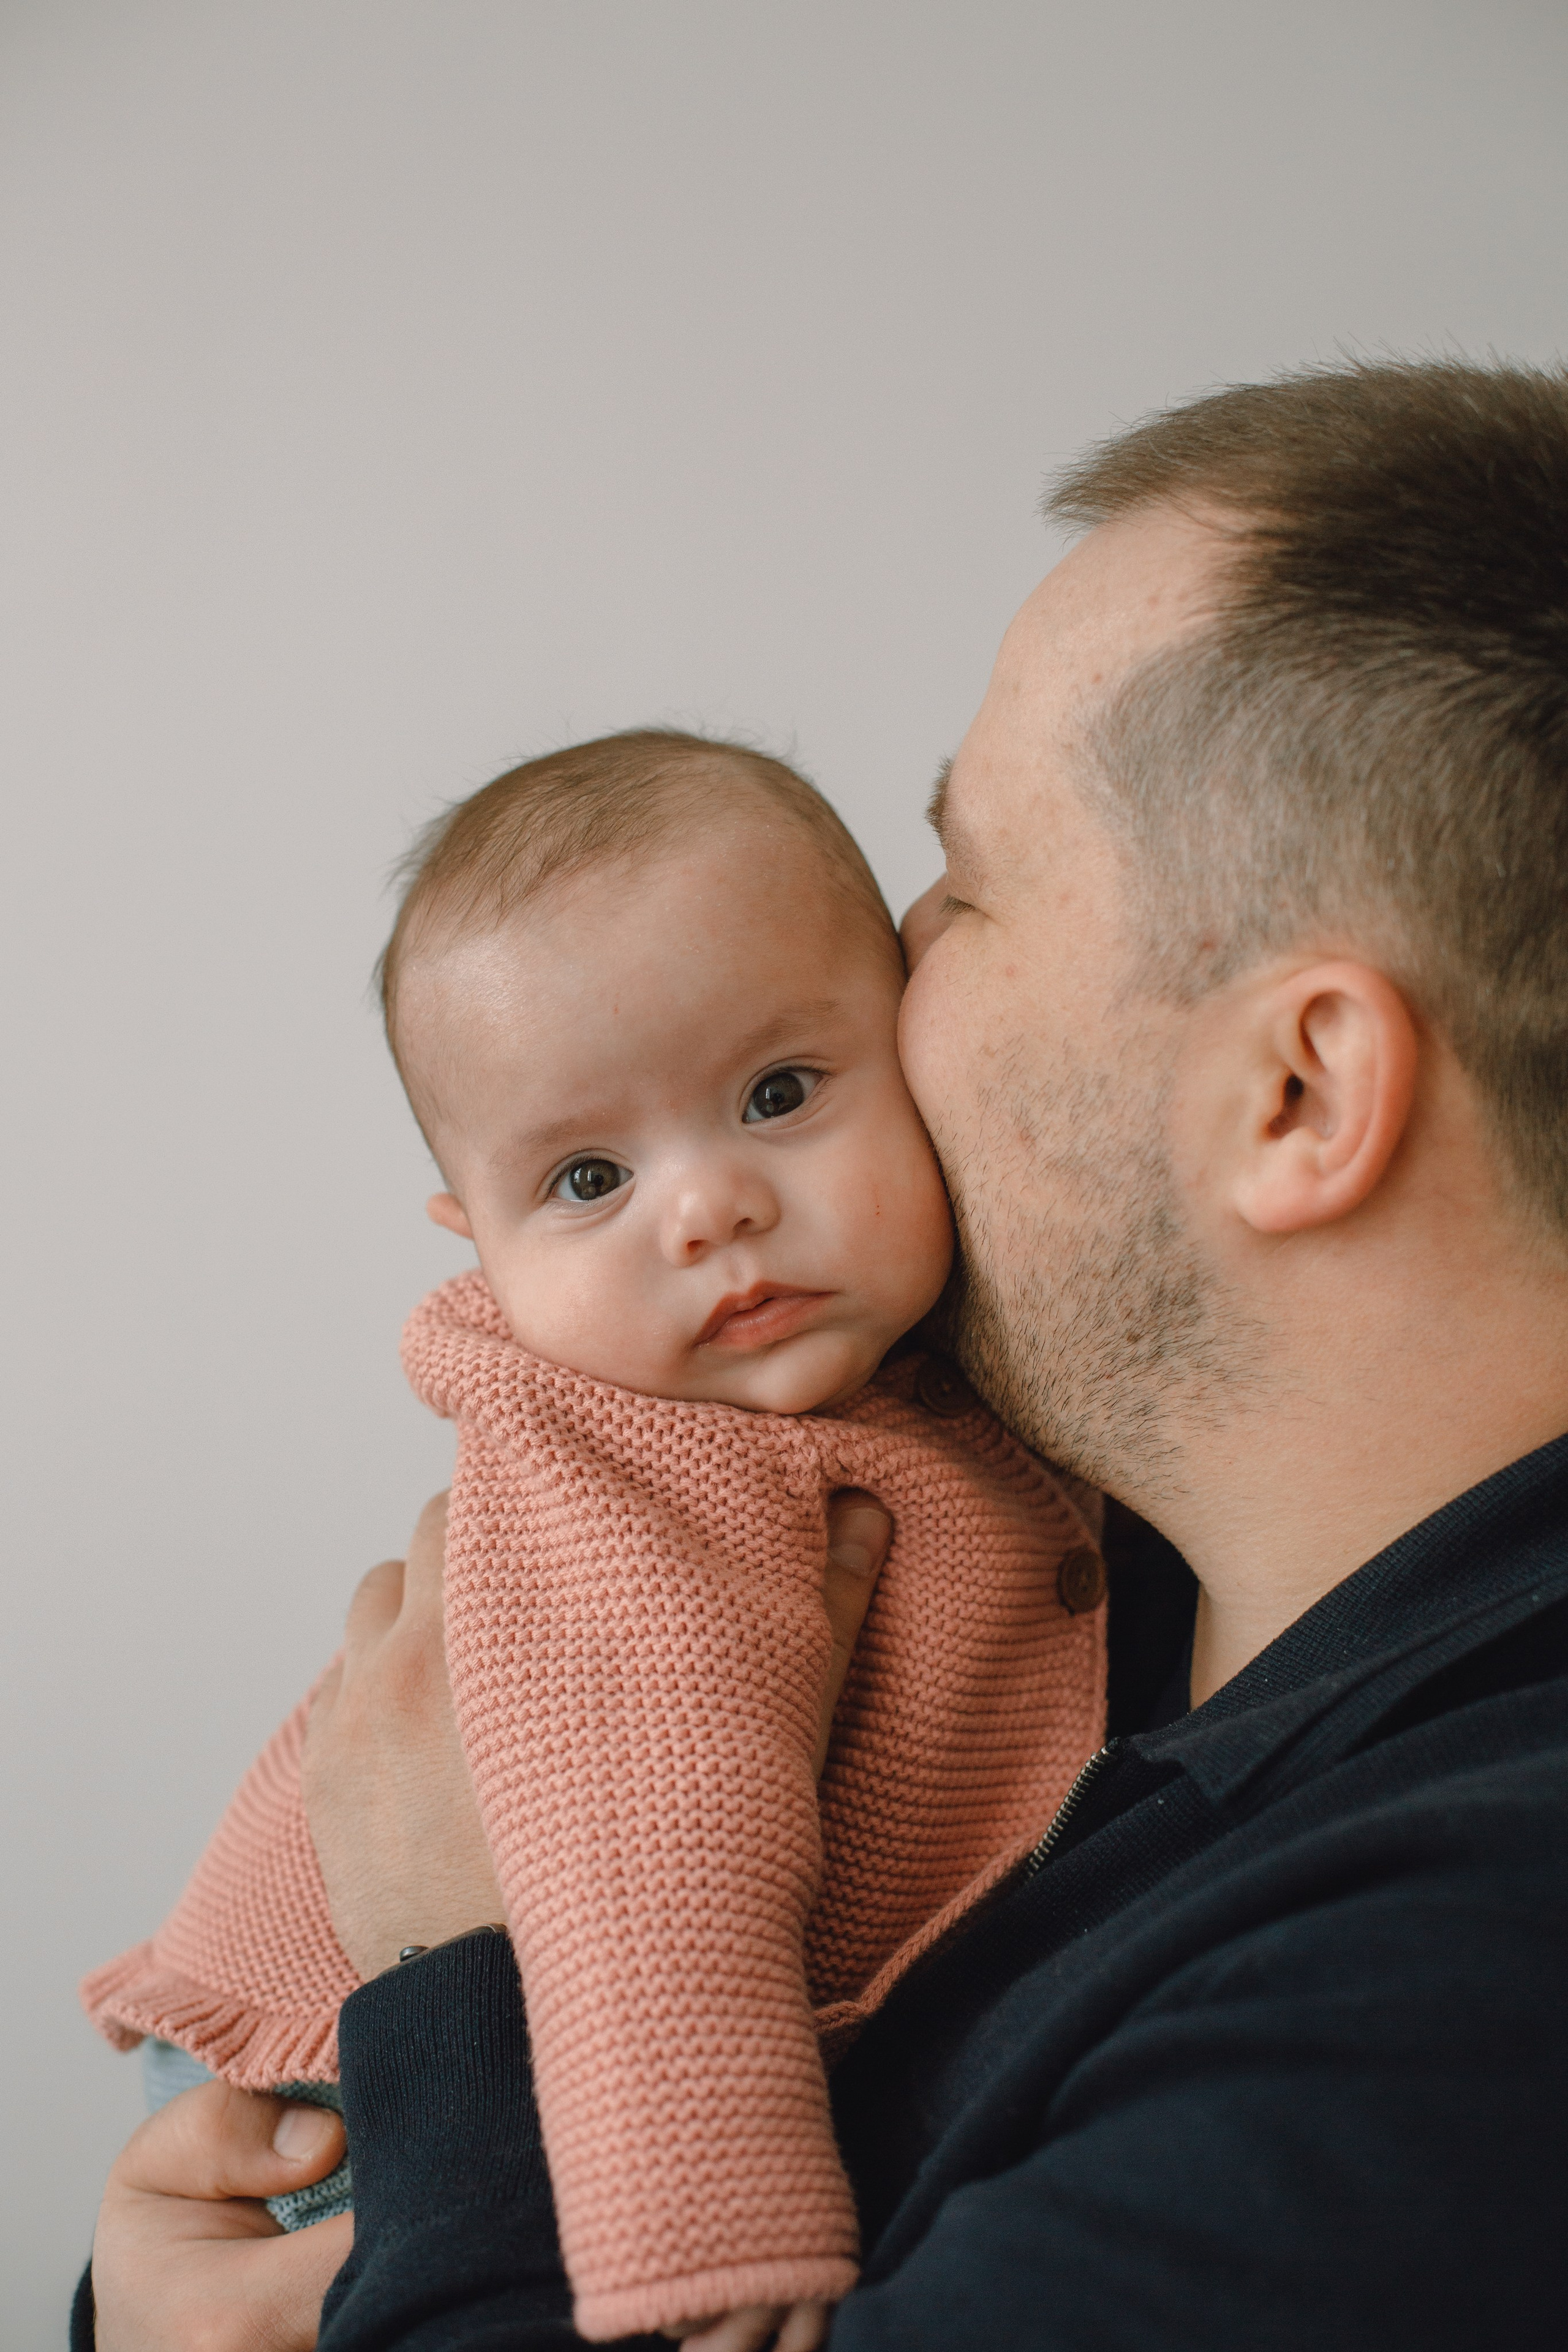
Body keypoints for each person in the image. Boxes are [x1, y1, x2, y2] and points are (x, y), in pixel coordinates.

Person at [83, 356, 1568, 2348]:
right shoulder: (1103, 1579)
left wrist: (459, 1963)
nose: (898, 969)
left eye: (967, 886)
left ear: (1295, 1093)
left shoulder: (1445, 1999)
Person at [81, 732, 1107, 2348]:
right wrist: (718, 2218)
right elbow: (648, 1857)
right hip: (367, 2095)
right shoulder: (627, 1470)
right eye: (586, 1177)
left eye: (779, 1093)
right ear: (476, 1247)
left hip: (564, 2049)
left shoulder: (903, 1376)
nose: (705, 1209)